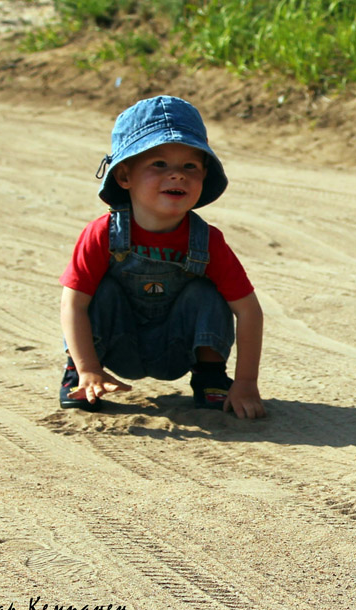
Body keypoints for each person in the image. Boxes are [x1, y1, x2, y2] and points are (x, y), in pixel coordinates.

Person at [58, 95, 265, 419]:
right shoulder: (101, 234)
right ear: (124, 176)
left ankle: (210, 376)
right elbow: (73, 304)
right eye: (159, 164)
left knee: (207, 293)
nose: (177, 175)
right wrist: (88, 367)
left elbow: (249, 310)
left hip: (178, 348)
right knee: (100, 290)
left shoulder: (207, 241)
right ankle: (80, 375)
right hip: (116, 345)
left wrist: (247, 382)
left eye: (190, 166)